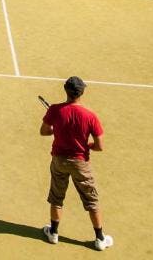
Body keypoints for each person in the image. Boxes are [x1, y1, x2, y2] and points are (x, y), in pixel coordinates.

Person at [39, 76, 113, 251]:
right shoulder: (90, 115)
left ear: (66, 90)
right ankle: (100, 238)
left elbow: (44, 131)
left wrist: (56, 129)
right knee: (91, 200)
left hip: (59, 161)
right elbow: (100, 146)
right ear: (82, 92)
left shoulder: (55, 110)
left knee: (56, 197)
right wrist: (86, 145)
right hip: (80, 163)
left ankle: (53, 233)